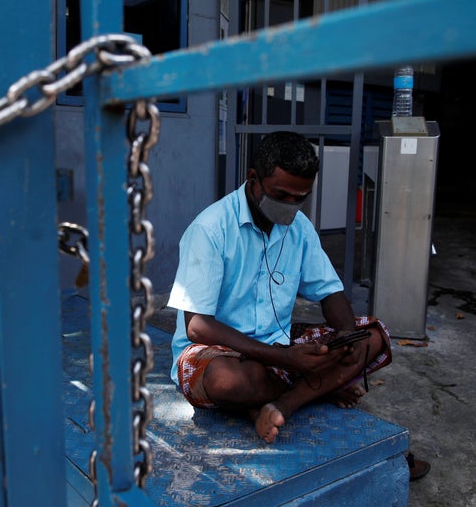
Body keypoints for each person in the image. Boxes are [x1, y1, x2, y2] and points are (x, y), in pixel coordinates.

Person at [167, 131, 393, 444]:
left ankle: (280, 405)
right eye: (280, 195)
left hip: (281, 345)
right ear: (253, 178)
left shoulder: (299, 228)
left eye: (300, 198)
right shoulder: (210, 228)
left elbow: (330, 292)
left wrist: (343, 333)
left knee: (372, 337)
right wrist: (287, 361)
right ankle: (317, 386)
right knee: (226, 380)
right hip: (218, 351)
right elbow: (197, 327)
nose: (290, 206)